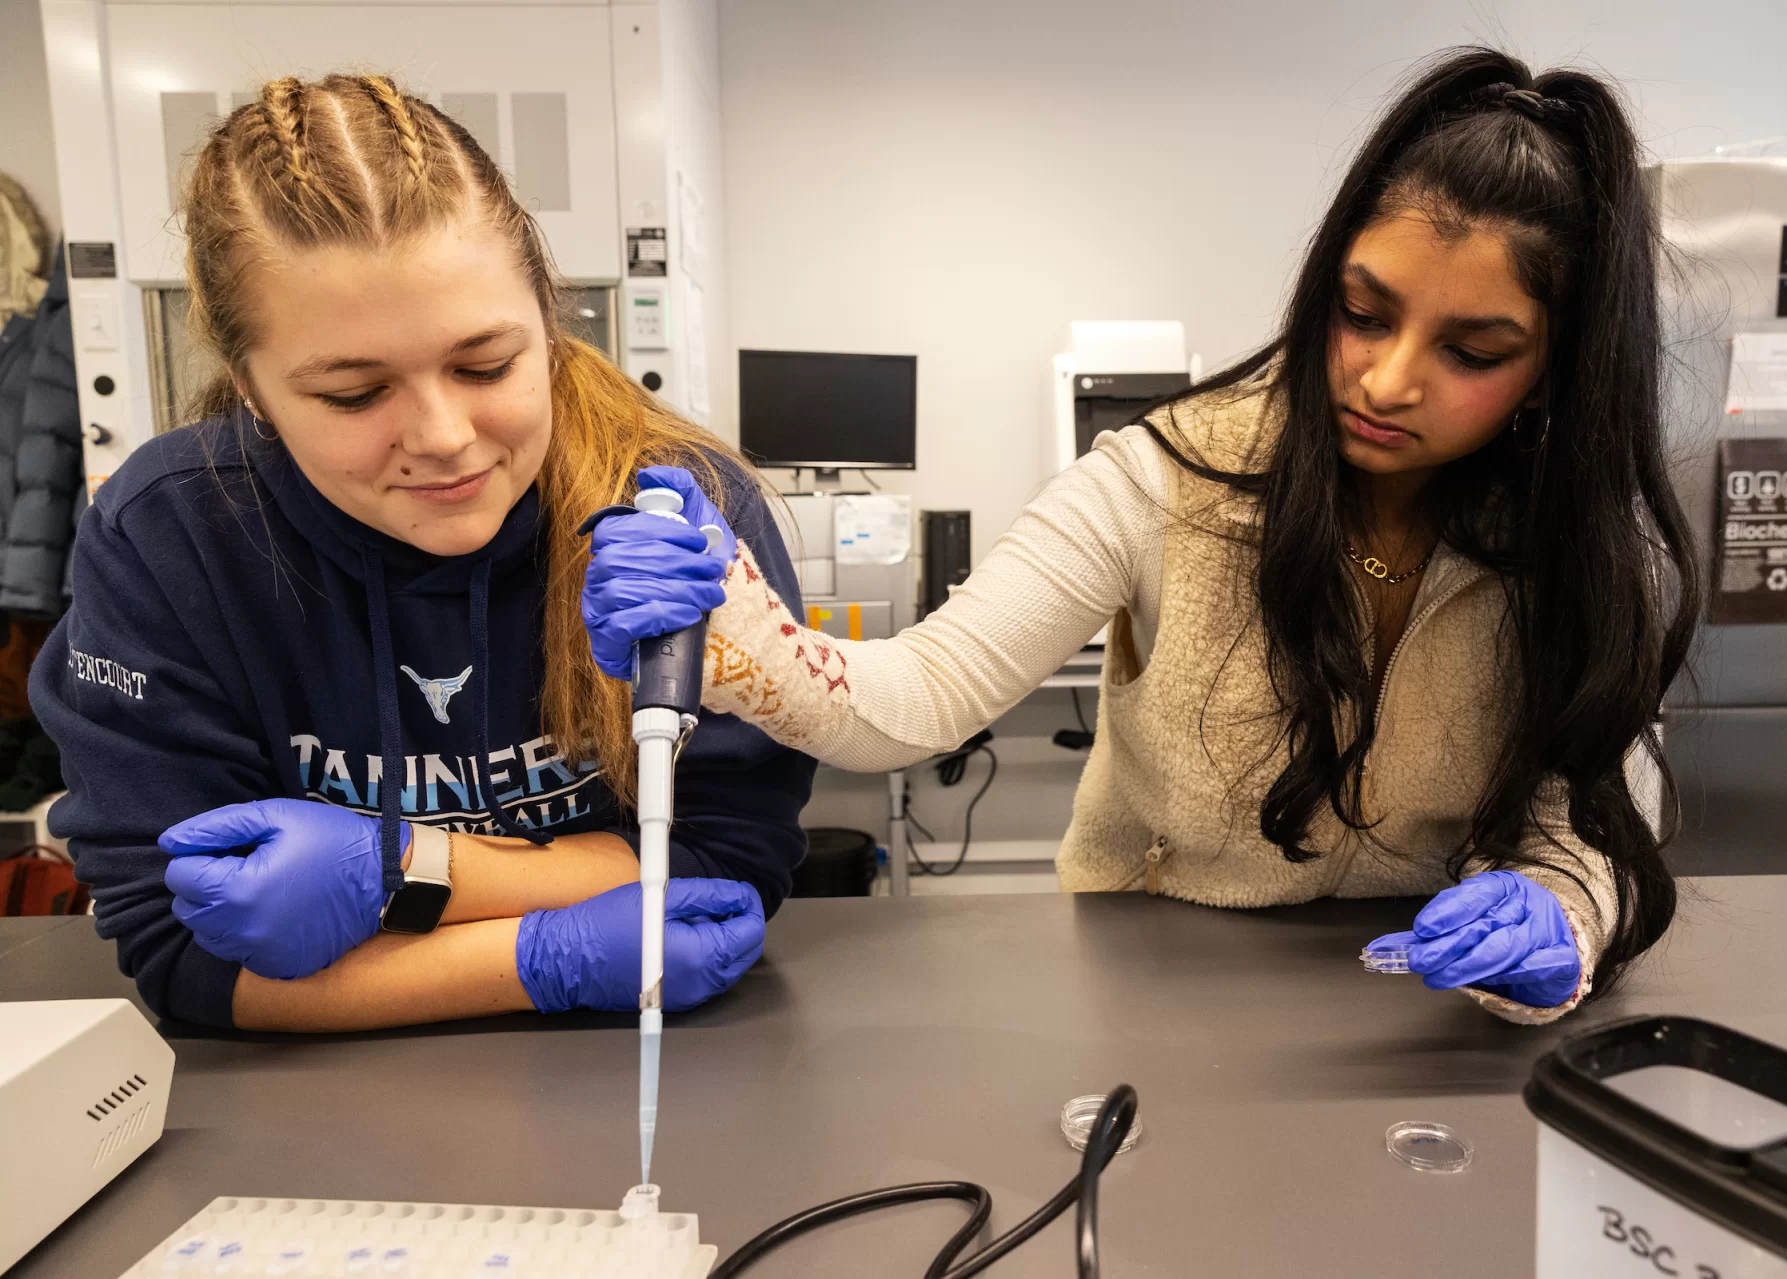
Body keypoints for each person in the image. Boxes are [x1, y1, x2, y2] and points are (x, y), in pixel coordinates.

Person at [588, 48, 1701, 1025]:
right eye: (1361, 313)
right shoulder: (1163, 473)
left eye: (1472, 351)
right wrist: (730, 618)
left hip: (1412, 1005)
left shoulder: (1582, 544)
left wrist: (1563, 909)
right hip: (1152, 978)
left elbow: (1591, 815)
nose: (1386, 377)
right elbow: (913, 697)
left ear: (1554, 372)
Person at [30, 74, 816, 1032]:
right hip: (307, 1119)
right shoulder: (172, 540)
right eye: (354, 394)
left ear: (548, 319)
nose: (443, 435)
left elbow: (719, 860)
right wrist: (538, 949)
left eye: (487, 365)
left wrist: (395, 875)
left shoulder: (671, 511)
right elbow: (181, 950)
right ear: (251, 389)